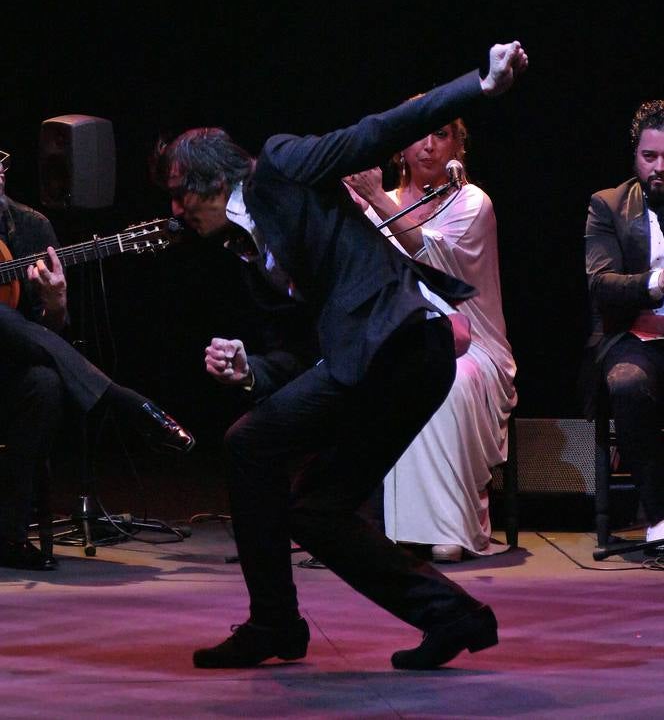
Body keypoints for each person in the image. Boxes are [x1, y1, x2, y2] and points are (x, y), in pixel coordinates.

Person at [158, 41, 528, 671]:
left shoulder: (280, 166)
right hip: (386, 362)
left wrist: (481, 87)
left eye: (178, 192)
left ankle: (273, 623)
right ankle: (453, 616)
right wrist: (252, 368)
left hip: (402, 343)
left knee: (250, 445)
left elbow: (374, 132)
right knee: (316, 509)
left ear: (214, 180)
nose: (175, 210)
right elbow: (300, 352)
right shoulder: (246, 253)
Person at [0, 148, 195, 571]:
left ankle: (8, 535)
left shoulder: (31, 227)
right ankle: (122, 401)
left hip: (6, 372)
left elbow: (46, 335)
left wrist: (56, 299)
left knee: (46, 384)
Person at [346, 119, 516, 561]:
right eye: (418, 134)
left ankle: (449, 528)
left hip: (472, 342)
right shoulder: (374, 207)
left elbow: (432, 258)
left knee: (447, 374)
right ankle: (388, 526)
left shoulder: (471, 203)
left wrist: (375, 200)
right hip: (398, 336)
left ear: (458, 144)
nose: (428, 145)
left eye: (441, 135)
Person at [585, 100, 664, 549]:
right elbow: (602, 284)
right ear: (635, 157)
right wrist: (656, 282)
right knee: (629, 384)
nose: (659, 167)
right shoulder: (608, 206)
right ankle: (658, 515)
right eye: (649, 157)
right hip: (633, 336)